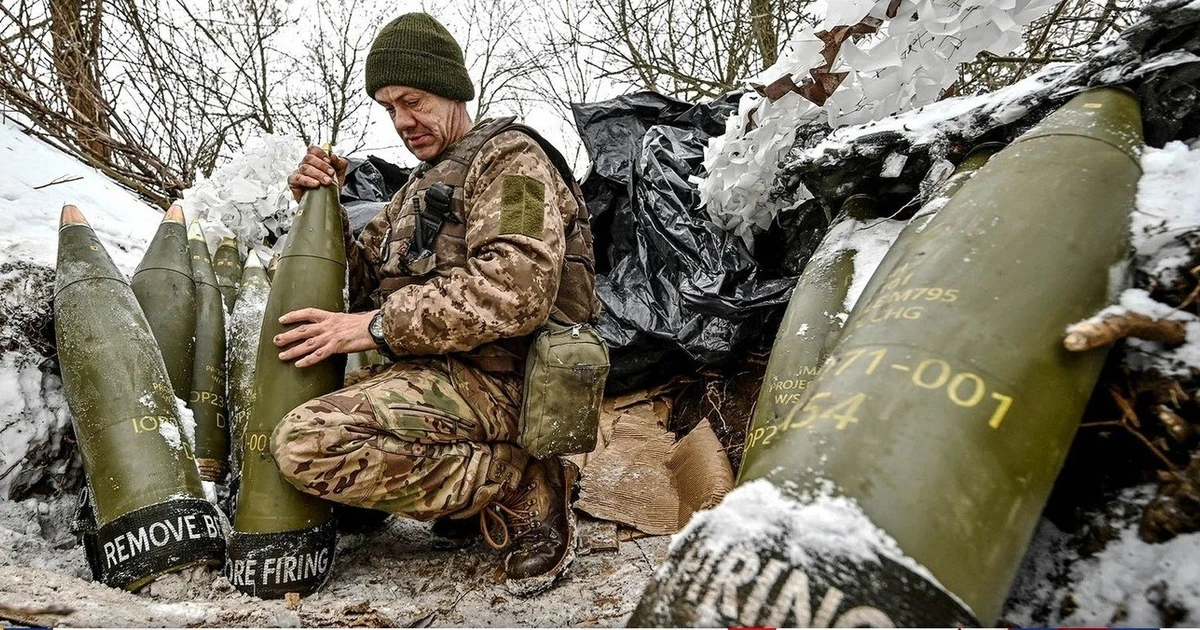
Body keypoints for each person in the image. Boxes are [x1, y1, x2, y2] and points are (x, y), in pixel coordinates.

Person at [272, 12, 599, 595]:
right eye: (388, 108)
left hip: (510, 379)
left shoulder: (512, 162)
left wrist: (376, 328)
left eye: (413, 101)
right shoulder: (414, 192)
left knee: (308, 443)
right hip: (440, 376)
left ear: (452, 90)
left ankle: (519, 481)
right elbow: (357, 285)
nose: (402, 121)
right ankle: (471, 492)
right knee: (296, 425)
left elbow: (516, 289)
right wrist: (322, 209)